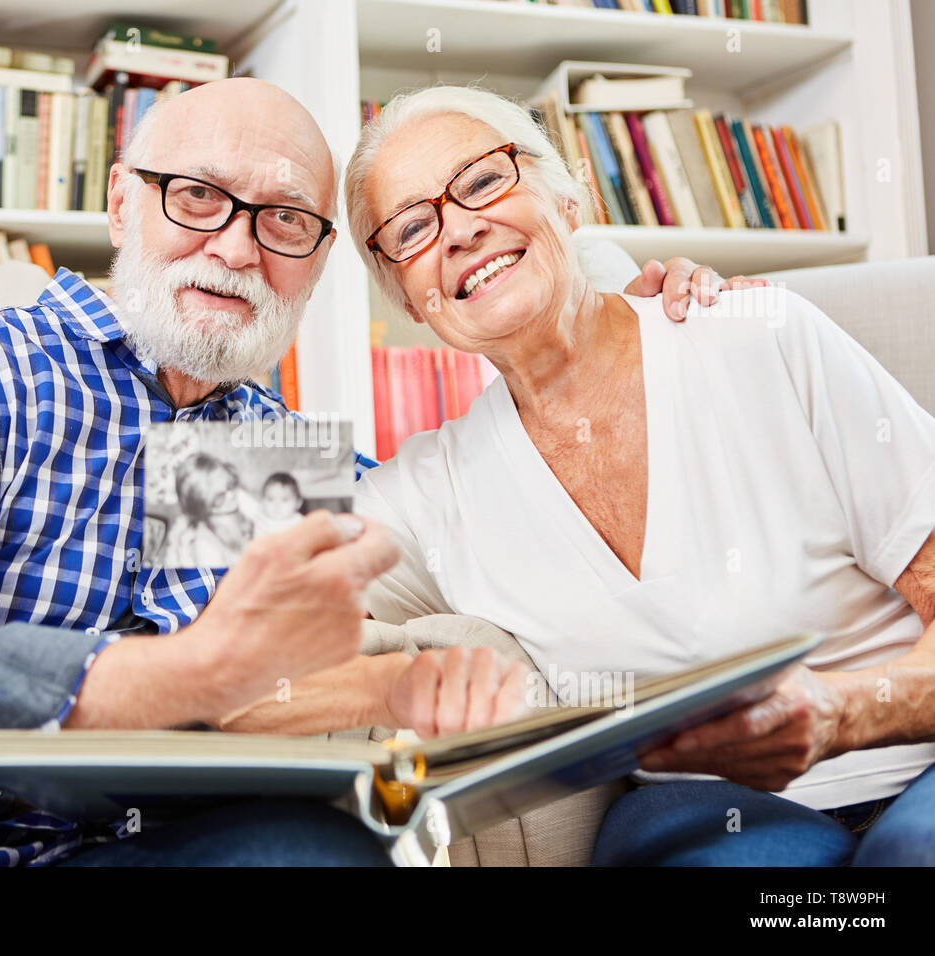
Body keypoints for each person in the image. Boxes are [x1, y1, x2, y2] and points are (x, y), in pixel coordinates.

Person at [0, 78, 739, 868]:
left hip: (92, 846)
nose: (234, 245)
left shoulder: (263, 450)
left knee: (307, 851)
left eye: (286, 221)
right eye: (196, 196)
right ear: (122, 204)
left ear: (317, 266)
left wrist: (606, 314)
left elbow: (488, 490)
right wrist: (187, 674)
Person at [341, 84, 935, 866]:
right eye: (412, 228)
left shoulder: (760, 337)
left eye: (483, 181)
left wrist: (841, 714)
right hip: (721, 816)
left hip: (912, 761)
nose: (458, 229)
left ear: (569, 196)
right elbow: (252, 613)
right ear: (407, 296)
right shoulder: (422, 497)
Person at [169, 453, 255, 567]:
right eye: (219, 497)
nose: (231, 495)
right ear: (201, 506)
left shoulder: (238, 497)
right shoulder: (204, 544)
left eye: (231, 485)